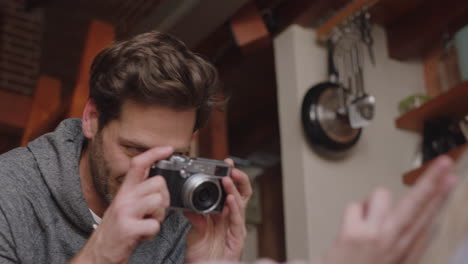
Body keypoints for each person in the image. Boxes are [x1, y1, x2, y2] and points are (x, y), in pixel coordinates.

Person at [0, 31, 252, 263]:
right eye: (136, 150)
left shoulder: (186, 222)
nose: (153, 175)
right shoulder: (10, 193)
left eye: (174, 157)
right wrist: (99, 255)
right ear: (91, 119)